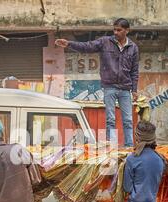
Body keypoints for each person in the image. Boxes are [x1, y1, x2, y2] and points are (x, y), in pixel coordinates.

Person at [55, 18, 139, 147]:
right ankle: (112, 146)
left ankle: (129, 146)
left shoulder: (133, 48)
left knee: (128, 120)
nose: (116, 32)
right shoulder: (105, 42)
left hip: (125, 88)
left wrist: (134, 90)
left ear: (127, 31)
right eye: (114, 29)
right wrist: (69, 44)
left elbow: (134, 71)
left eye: (119, 30)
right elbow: (87, 46)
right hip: (109, 87)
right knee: (110, 119)